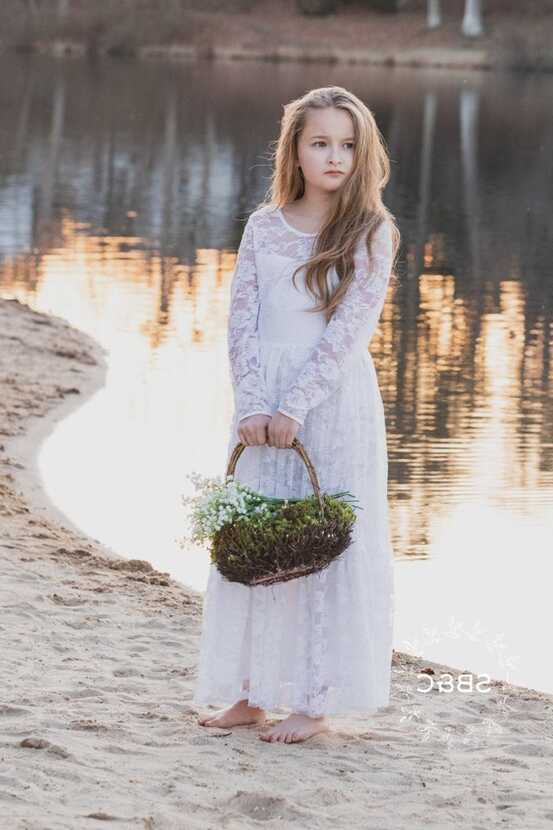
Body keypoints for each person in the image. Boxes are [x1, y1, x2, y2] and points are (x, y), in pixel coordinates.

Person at [194, 85, 400, 744]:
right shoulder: (264, 226)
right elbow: (241, 323)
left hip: (330, 399)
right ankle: (250, 692)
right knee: (256, 541)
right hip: (260, 402)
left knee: (320, 543)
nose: (334, 156)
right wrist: (253, 402)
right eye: (320, 143)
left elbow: (348, 333)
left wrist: (295, 406)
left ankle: (313, 702)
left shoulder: (370, 232)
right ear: (296, 150)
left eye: (346, 145)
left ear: (361, 154)